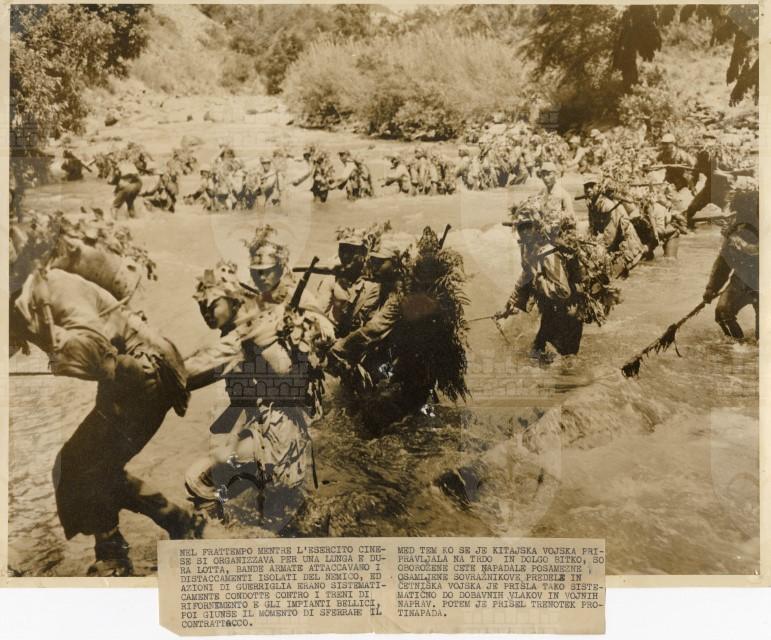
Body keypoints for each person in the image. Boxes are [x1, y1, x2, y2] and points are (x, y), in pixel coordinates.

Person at [10, 267, 199, 576]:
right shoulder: (28, 295)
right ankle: (177, 520)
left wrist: (58, 347)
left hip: (144, 373)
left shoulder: (55, 288)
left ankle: (117, 554)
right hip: (127, 376)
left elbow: (101, 359)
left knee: (82, 465)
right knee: (88, 465)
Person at [184, 235, 334, 527]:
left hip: (280, 422)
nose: (261, 277)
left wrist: (298, 328)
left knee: (201, 481)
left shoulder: (277, 312)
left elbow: (324, 334)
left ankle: (216, 535)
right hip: (269, 419)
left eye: (267, 271)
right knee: (283, 511)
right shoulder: (254, 313)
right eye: (256, 272)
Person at [495, 202, 583, 358]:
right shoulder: (529, 250)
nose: (524, 232)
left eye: (528, 226)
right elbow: (525, 277)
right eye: (520, 228)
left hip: (568, 314)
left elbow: (564, 291)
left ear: (536, 227)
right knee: (538, 354)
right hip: (551, 312)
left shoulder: (548, 254)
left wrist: (540, 280)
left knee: (565, 362)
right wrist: (509, 306)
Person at [703, 181, 759, 340]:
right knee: (722, 312)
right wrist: (712, 288)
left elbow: (754, 251)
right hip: (742, 278)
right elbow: (724, 262)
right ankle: (738, 345)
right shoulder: (735, 229)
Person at [584, 179, 644, 277]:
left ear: (598, 187)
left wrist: (597, 251)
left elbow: (610, 235)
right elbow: (592, 228)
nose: (588, 190)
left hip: (627, 245)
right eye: (586, 187)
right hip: (614, 242)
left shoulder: (607, 205)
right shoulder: (592, 204)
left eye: (591, 186)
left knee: (616, 276)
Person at [535, 161, 575, 229]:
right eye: (543, 175)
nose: (545, 178)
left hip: (558, 230)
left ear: (555, 175)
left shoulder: (563, 194)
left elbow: (571, 217)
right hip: (543, 229)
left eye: (549, 174)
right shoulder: (542, 192)